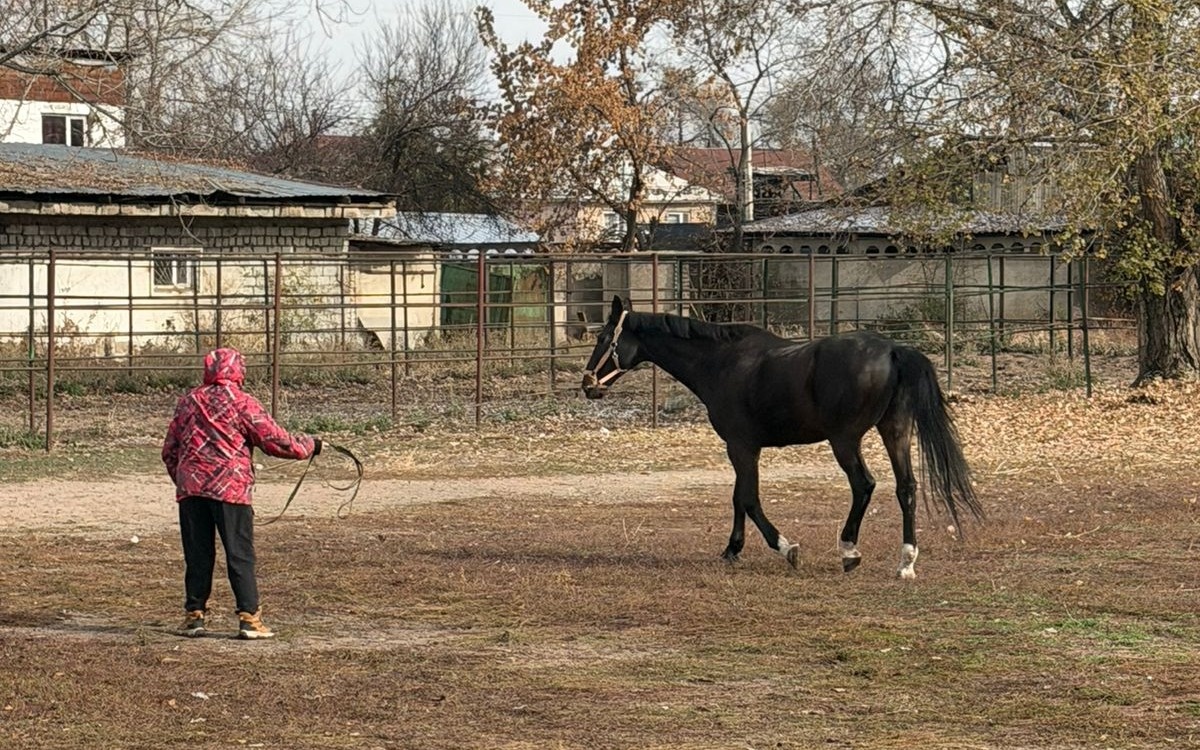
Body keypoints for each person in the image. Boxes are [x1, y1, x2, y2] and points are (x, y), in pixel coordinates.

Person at [162, 347, 321, 640]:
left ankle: (194, 616)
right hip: (231, 490)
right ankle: (249, 617)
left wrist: (185, 479)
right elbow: (275, 440)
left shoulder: (188, 402)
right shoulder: (242, 403)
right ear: (238, 371)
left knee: (197, 554)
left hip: (192, 490)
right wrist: (308, 445)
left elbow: (169, 450)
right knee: (239, 554)